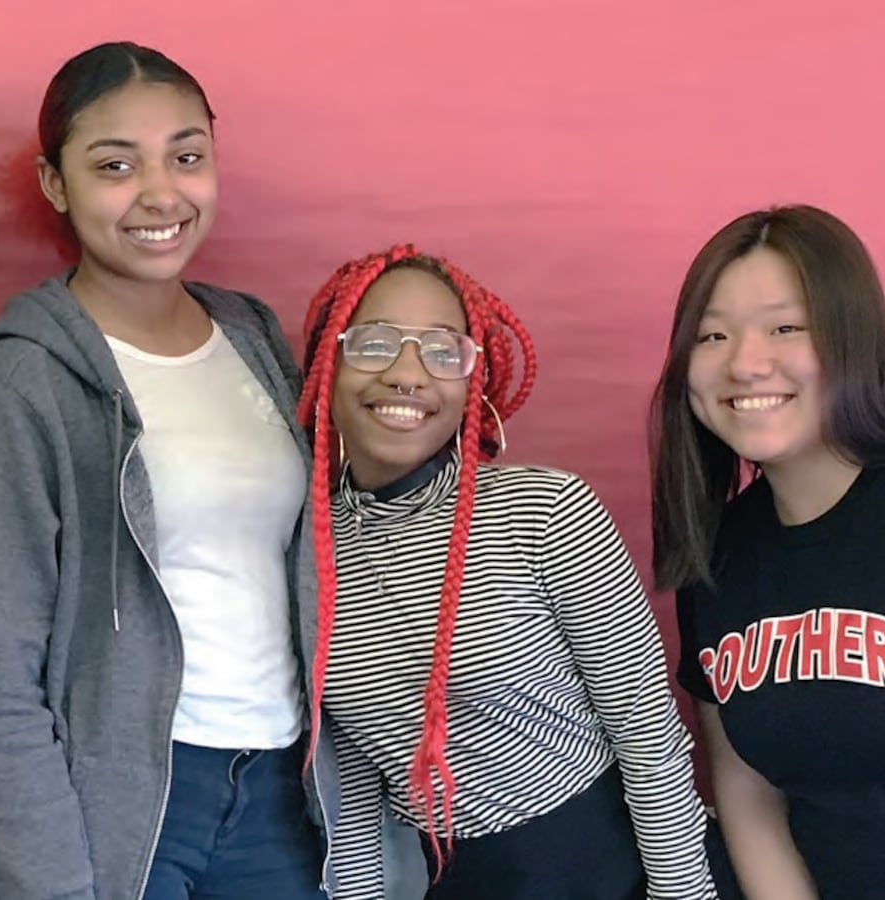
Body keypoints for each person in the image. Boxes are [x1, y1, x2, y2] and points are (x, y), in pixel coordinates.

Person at [0, 41, 328, 900]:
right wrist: (56, 881)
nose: (161, 194)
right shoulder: (24, 383)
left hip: (278, 790)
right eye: (116, 165)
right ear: (54, 183)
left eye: (187, 157)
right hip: (126, 807)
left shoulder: (253, 338)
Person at [300, 245, 717, 899]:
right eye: (376, 343)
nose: (408, 374)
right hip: (464, 883)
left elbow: (647, 734)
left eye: (443, 352)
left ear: (475, 383)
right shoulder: (308, 551)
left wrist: (682, 893)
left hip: (620, 869)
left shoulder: (545, 511)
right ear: (329, 363)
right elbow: (350, 783)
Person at [650, 204, 885, 899]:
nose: (746, 363)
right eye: (712, 334)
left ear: (853, 338)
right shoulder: (717, 552)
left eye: (786, 327)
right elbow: (748, 797)